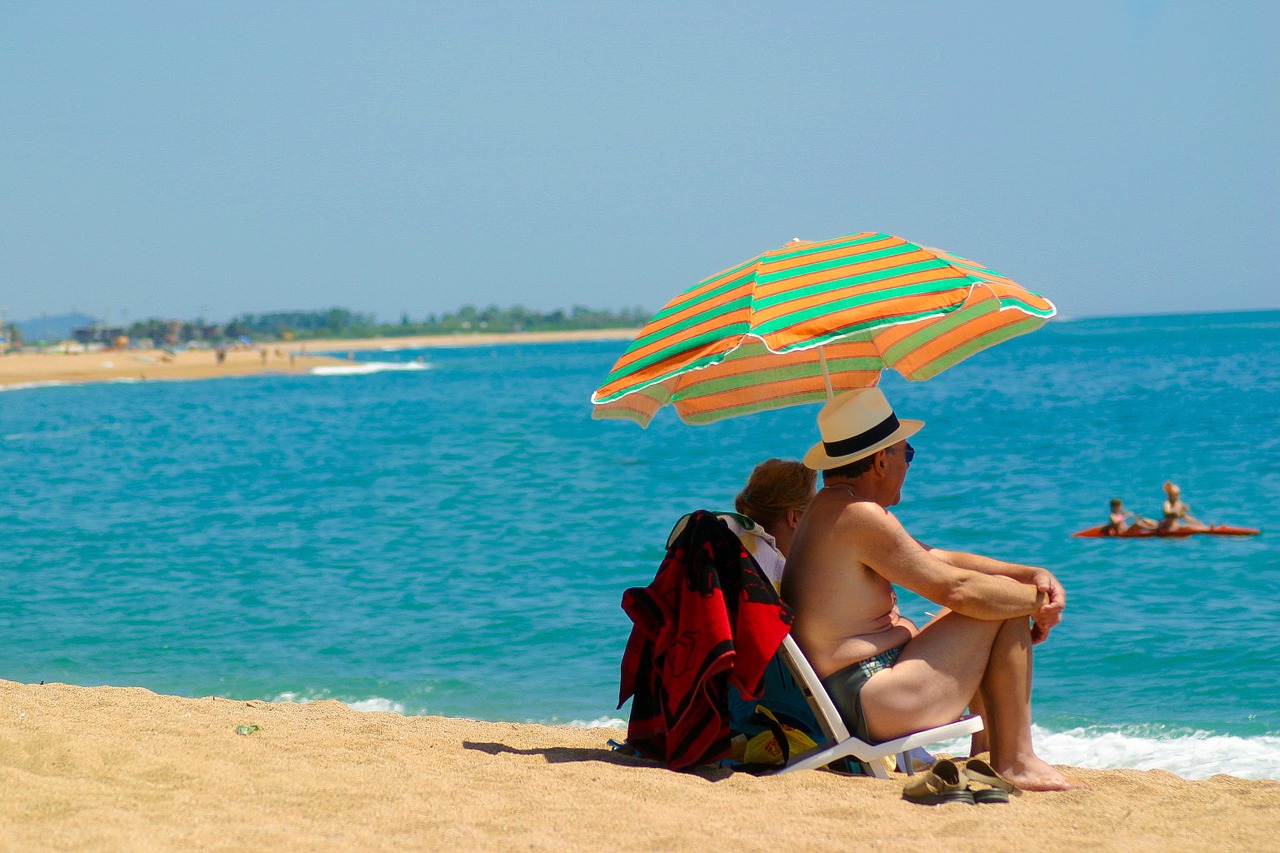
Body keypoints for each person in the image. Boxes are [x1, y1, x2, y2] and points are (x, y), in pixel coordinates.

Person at [781, 387, 1073, 791]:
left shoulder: (832, 508)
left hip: (850, 697)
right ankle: (1016, 761)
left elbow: (938, 557)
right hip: (873, 701)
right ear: (881, 460)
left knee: (998, 596)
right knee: (996, 604)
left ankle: (988, 757)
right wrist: (1036, 604)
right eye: (908, 454)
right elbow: (956, 589)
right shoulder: (859, 516)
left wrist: (1029, 573)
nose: (910, 464)